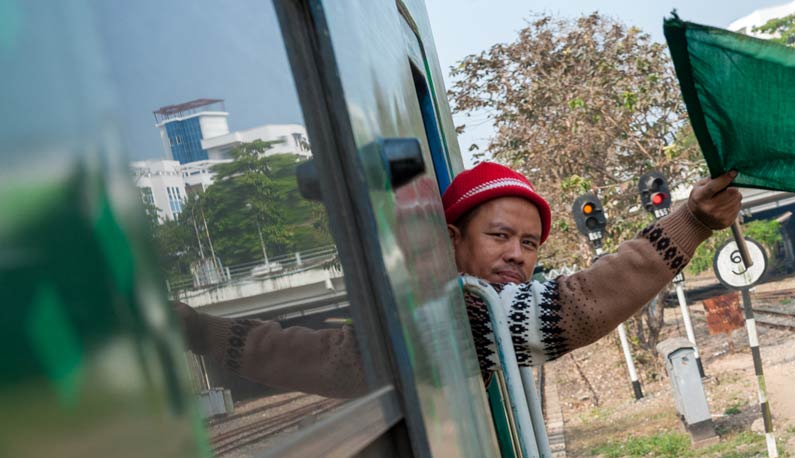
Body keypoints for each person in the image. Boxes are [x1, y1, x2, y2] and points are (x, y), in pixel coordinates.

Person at [174, 162, 741, 396]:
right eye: (499, 236)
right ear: (451, 241)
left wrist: (199, 333)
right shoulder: (464, 315)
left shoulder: (481, 307)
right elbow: (579, 304)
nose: (517, 255)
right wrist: (690, 221)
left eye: (529, 244)